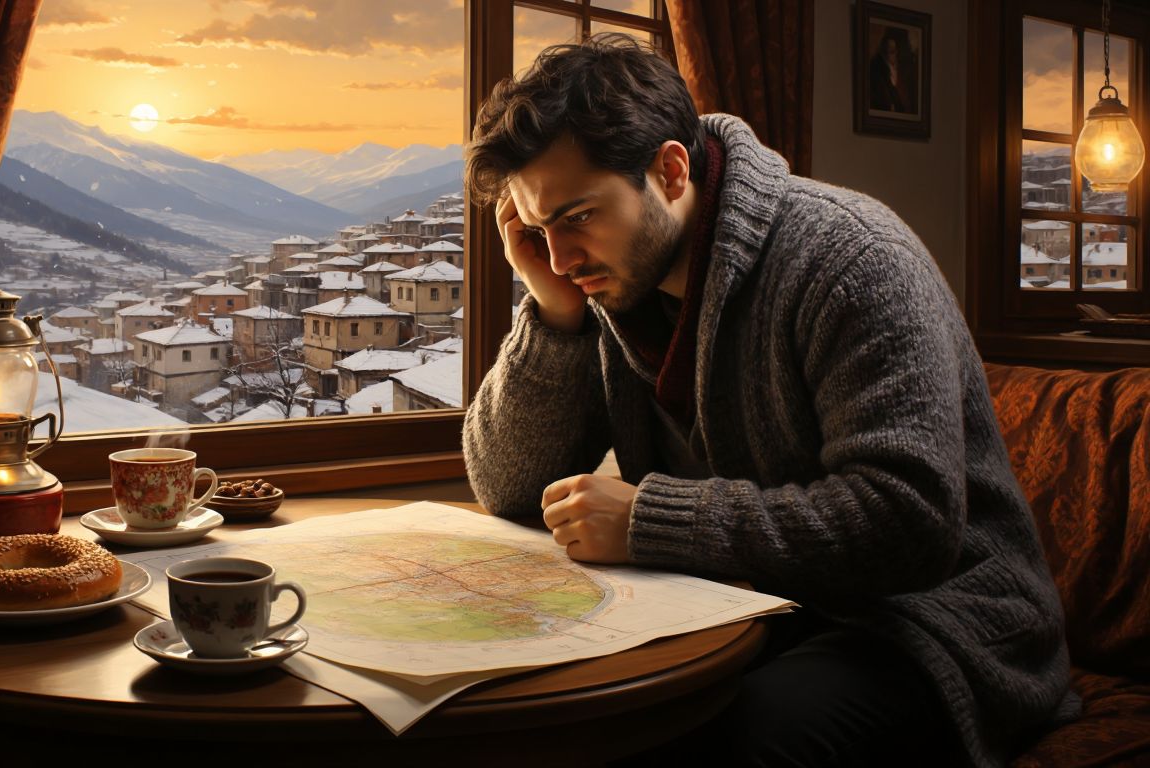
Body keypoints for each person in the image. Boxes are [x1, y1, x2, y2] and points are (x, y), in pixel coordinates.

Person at [461, 34, 1078, 768]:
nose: (560, 255)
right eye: (537, 229)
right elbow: (506, 487)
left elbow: (908, 521)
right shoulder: (606, 277)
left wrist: (654, 522)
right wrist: (553, 313)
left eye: (577, 217)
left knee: (725, 742)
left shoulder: (853, 258)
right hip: (757, 611)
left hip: (939, 627)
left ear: (669, 169)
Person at [869, 28, 916, 113]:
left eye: (894, 51)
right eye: (891, 51)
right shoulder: (878, 69)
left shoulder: (902, 70)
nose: (895, 54)